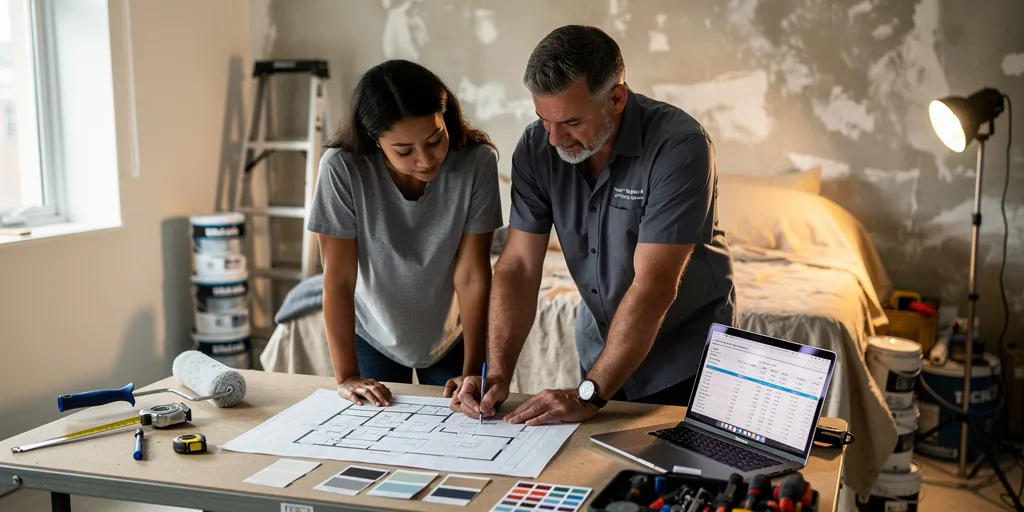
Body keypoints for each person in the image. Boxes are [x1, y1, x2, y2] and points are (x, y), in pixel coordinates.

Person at [451, 25, 736, 425]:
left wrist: (589, 393)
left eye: (570, 121)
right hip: (602, 351)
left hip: (687, 361)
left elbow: (653, 286)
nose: (553, 138)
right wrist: (497, 372)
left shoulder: (680, 146)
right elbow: (518, 266)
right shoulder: (537, 148)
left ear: (616, 98)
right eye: (543, 119)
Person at [308, 59, 503, 407]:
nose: (426, 160)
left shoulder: (477, 163)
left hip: (451, 335)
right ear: (374, 139)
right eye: (404, 151)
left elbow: (473, 273)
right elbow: (337, 279)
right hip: (372, 334)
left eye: (435, 140)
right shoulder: (341, 169)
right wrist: (347, 377)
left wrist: (474, 368)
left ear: (446, 119)